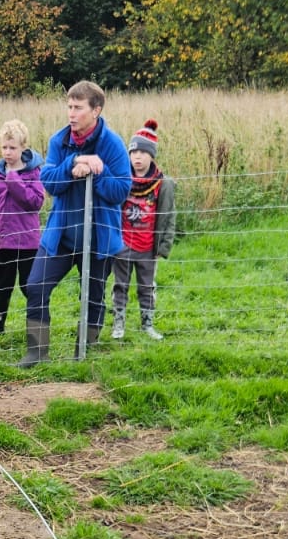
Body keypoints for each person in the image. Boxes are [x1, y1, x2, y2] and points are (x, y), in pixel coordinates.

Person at [19, 81, 132, 367]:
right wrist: (74, 163)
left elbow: (121, 191)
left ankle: (86, 350)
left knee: (93, 296)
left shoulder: (113, 144)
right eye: (69, 106)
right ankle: (36, 351)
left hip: (99, 238)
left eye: (78, 107)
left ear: (96, 110)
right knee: (35, 285)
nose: (71, 113)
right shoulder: (59, 141)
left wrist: (97, 171)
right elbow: (49, 182)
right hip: (62, 235)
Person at [112, 119, 177, 341]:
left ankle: (147, 324)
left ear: (152, 155)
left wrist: (163, 247)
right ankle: (118, 322)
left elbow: (169, 217)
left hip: (148, 248)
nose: (137, 157)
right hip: (122, 246)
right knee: (120, 285)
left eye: (143, 152)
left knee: (147, 287)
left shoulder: (162, 184)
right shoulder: (122, 179)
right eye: (133, 152)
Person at [0, 119, 45, 337]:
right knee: (2, 285)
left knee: (28, 285)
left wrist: (14, 180)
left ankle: (37, 321)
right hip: (4, 240)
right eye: (4, 147)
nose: (8, 152)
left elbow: (35, 202)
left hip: (27, 241)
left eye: (12, 147)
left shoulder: (33, 172)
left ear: (23, 148)